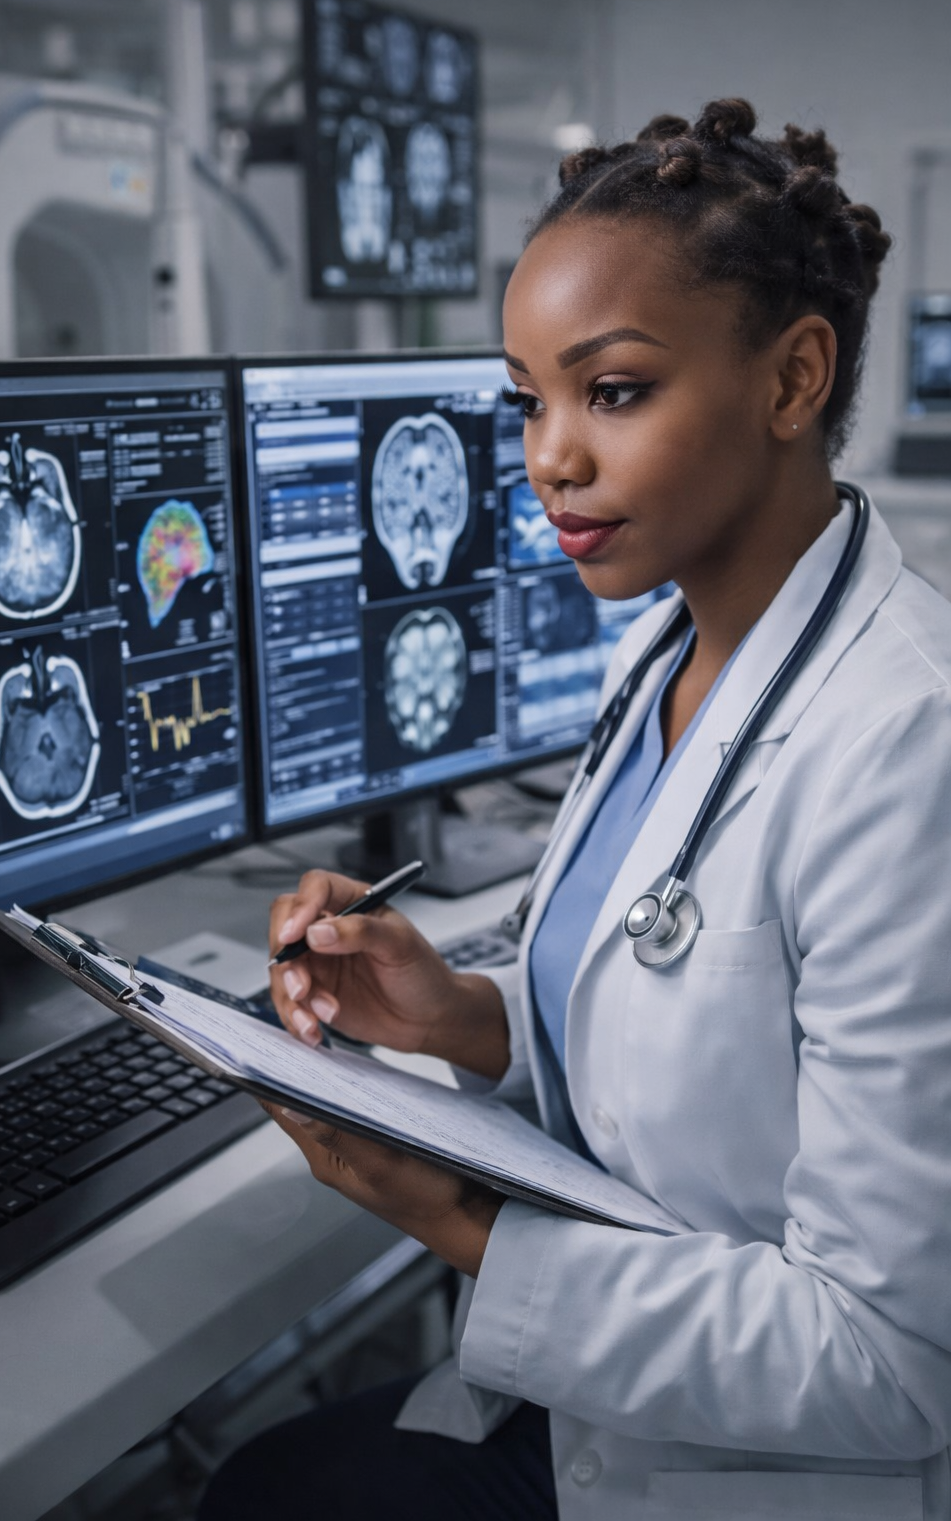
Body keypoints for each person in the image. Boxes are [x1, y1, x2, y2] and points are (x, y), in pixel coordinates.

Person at [199, 99, 951, 1521]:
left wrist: (459, 1222)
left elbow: (892, 1362)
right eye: (527, 400)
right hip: (612, 1406)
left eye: (611, 392)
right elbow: (679, 1065)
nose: (549, 456)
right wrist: (456, 1017)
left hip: (764, 1472)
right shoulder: (664, 655)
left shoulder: (907, 747)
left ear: (795, 380)